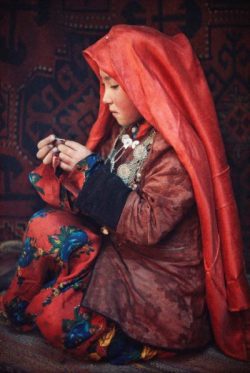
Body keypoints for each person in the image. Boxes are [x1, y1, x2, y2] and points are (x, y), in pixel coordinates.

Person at [1, 24, 249, 364]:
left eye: (115, 85)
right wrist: (65, 166)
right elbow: (93, 201)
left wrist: (91, 169)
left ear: (145, 86)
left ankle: (156, 342)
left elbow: (147, 225)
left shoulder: (177, 152)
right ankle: (15, 307)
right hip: (120, 259)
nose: (105, 97)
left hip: (157, 285)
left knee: (60, 321)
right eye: (104, 84)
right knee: (45, 224)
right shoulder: (129, 133)